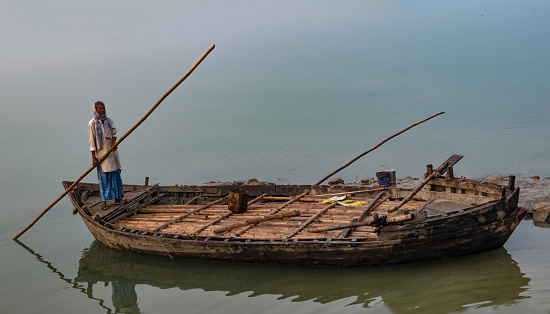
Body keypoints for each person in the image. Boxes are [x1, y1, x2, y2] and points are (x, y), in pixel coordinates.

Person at [88, 101, 124, 210]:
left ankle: (118, 197)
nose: (103, 110)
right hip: (101, 155)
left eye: (104, 108)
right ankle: (104, 201)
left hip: (112, 153)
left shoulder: (109, 120)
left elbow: (114, 132)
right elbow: (92, 142)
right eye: (100, 109)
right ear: (96, 110)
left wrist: (114, 143)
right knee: (103, 178)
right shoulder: (92, 124)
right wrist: (94, 158)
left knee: (116, 175)